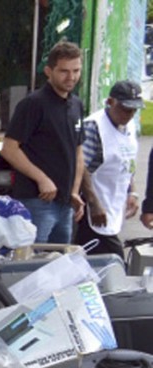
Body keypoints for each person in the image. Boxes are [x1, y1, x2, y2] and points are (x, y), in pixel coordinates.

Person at [0, 41, 86, 244]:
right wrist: (41, 179)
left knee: (60, 259)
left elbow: (78, 152)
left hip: (65, 204)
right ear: (49, 71)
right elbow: (9, 149)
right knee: (33, 257)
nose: (71, 77)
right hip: (37, 201)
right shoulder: (33, 104)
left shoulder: (76, 105)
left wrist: (74, 191)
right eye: (64, 71)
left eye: (76, 71)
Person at [75, 80, 143, 259]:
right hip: (93, 205)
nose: (129, 115)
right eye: (125, 109)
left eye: (134, 110)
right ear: (110, 102)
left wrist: (132, 191)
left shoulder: (129, 125)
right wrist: (94, 203)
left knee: (95, 261)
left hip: (113, 203)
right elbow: (81, 167)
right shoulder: (94, 126)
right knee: (114, 260)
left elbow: (127, 161)